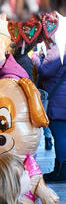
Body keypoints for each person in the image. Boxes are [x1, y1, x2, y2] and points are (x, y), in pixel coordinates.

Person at [31, 43, 66, 182]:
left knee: (60, 136)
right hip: (61, 97)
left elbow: (45, 71)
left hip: (58, 98)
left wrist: (35, 60)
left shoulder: (58, 49)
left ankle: (62, 171)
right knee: (61, 135)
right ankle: (60, 169)